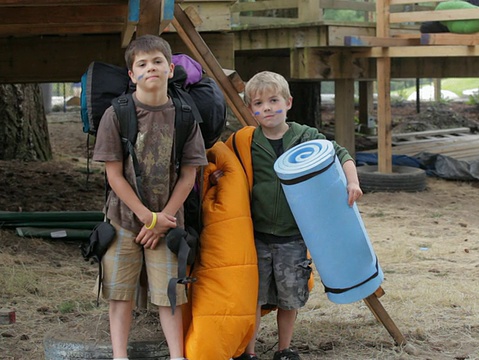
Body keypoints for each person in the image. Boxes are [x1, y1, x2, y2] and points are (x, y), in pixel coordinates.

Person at [92, 34, 207, 360]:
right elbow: (113, 175)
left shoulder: (185, 117)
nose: (150, 68)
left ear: (170, 69)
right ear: (132, 75)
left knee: (170, 294)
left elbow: (189, 176)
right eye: (142, 64)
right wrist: (146, 216)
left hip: (169, 223)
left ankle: (177, 355)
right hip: (123, 220)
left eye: (157, 62)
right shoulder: (117, 115)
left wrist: (162, 219)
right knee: (120, 292)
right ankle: (119, 355)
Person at [234, 71, 363, 360]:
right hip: (256, 235)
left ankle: (284, 350)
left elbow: (339, 153)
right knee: (252, 295)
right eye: (258, 103)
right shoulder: (246, 142)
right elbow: (225, 167)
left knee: (288, 297)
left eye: (273, 100)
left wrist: (352, 181)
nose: (266, 108)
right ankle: (248, 351)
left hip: (293, 235)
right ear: (250, 110)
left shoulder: (306, 137)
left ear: (288, 102)